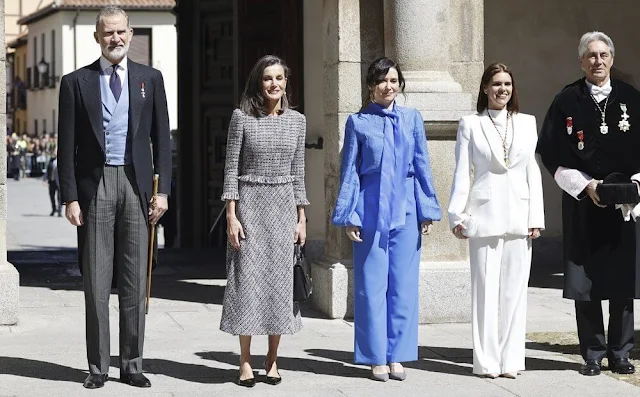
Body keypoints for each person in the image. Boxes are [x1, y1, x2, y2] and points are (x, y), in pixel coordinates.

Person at [57, 6, 171, 389]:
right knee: (95, 281)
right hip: (95, 188)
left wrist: (164, 192)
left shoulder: (150, 79)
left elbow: (162, 142)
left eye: (121, 32)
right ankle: (98, 367)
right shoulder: (75, 83)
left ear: (131, 33)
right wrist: (70, 197)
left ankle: (133, 363)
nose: (115, 39)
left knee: (135, 280)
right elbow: (66, 147)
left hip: (136, 186)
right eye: (108, 34)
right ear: (97, 37)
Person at [537, 31, 640, 377]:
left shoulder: (632, 98)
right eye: (591, 55)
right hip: (584, 204)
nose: (598, 60)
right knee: (587, 283)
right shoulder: (566, 101)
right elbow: (551, 155)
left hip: (625, 209)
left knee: (623, 281)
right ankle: (593, 353)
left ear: (612, 58)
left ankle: (621, 352)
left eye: (603, 54)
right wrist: (585, 186)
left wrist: (635, 186)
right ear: (581, 61)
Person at [332, 57, 441, 382]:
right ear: (370, 85)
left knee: (404, 286)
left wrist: (426, 209)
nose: (388, 86)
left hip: (406, 206)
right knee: (370, 285)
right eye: (382, 81)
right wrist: (350, 213)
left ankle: (397, 355)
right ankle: (375, 355)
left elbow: (422, 165)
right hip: (370, 206)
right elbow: (349, 171)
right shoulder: (358, 122)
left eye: (393, 81)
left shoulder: (412, 119)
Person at [448, 63, 545, 378]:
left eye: (507, 84)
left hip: (519, 215)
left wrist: (536, 217)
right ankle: (487, 362)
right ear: (485, 89)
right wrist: (457, 216)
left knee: (515, 294)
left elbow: (532, 171)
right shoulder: (470, 124)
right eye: (496, 84)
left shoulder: (528, 123)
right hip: (483, 215)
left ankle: (511, 360)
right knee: (485, 292)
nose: (502, 89)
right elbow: (462, 172)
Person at [220, 54, 308, 388]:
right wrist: (232, 215)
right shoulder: (241, 118)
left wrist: (302, 218)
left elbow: (298, 174)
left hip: (284, 207)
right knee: (245, 284)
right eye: (268, 78)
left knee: (278, 285)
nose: (274, 84)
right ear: (259, 82)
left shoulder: (298, 122)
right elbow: (230, 171)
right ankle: (244, 361)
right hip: (250, 207)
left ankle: (272, 360)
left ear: (286, 82)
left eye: (280, 78)